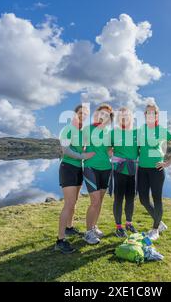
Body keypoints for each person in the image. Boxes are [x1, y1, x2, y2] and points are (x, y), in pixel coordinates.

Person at [137, 103, 171, 241]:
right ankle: (159, 221)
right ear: (144, 115)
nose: (150, 115)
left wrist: (167, 163)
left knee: (157, 198)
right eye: (147, 113)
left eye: (153, 113)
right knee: (143, 199)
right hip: (142, 169)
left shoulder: (162, 130)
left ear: (157, 115)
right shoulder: (141, 130)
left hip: (157, 169)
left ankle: (155, 229)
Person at [55, 105, 95, 254]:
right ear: (74, 114)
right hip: (68, 168)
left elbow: (81, 149)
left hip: (78, 169)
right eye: (80, 113)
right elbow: (66, 150)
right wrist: (83, 156)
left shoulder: (80, 132)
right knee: (68, 204)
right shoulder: (67, 129)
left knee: (75, 202)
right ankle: (60, 241)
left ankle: (69, 228)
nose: (82, 115)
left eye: (85, 114)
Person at [82, 104, 114, 245]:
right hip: (91, 168)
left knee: (100, 201)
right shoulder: (88, 129)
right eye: (102, 113)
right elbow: (78, 145)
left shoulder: (109, 131)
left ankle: (94, 226)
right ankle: (88, 232)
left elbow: (108, 151)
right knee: (94, 201)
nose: (104, 116)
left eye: (107, 114)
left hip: (106, 168)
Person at [110, 107, 139, 237]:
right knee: (118, 198)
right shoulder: (113, 133)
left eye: (126, 116)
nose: (124, 118)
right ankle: (118, 226)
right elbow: (107, 148)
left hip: (132, 170)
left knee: (130, 198)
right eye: (121, 116)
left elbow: (141, 150)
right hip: (119, 170)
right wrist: (116, 159)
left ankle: (129, 223)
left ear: (130, 118)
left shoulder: (136, 133)